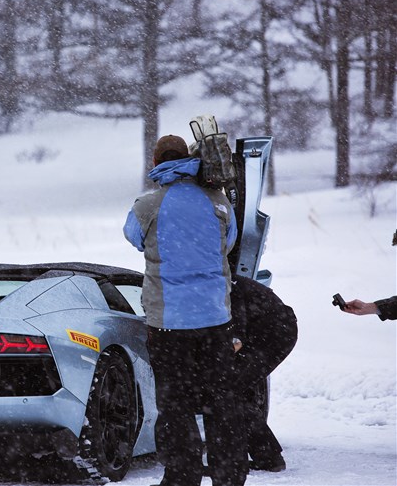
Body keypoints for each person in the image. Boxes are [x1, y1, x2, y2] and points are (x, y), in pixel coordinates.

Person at [124, 135, 246, 486]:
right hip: (215, 320)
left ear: (157, 162)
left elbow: (133, 237)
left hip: (169, 324)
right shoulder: (218, 201)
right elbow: (230, 243)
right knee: (223, 402)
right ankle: (229, 477)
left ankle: (183, 475)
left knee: (175, 405)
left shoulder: (147, 206)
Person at [230, 275, 298, 473]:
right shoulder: (216, 277)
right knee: (238, 388)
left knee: (230, 389)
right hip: (268, 329)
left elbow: (236, 337)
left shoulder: (223, 284)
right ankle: (257, 453)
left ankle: (269, 458)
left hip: (273, 334)